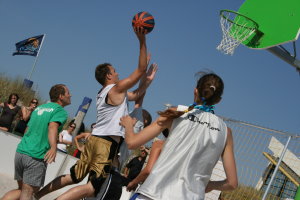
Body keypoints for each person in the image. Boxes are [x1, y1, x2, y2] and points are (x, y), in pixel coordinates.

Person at [35, 27, 157, 200]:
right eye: (114, 71)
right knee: (92, 187)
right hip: (105, 144)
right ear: (108, 76)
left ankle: (38, 195)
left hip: (95, 140)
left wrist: (147, 81)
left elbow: (136, 94)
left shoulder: (106, 92)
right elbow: (140, 69)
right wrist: (142, 40)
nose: (117, 73)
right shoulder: (115, 89)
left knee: (73, 177)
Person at [120, 72, 238, 200]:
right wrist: (209, 185)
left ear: (195, 91)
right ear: (218, 100)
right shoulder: (226, 132)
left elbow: (132, 142)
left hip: (154, 193)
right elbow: (232, 183)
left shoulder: (176, 112)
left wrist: (128, 125)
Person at [0, 84, 71, 200]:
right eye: (68, 93)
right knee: (28, 194)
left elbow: (28, 129)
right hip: (35, 156)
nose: (70, 95)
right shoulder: (60, 111)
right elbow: (52, 127)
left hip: (21, 152)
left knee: (22, 190)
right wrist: (53, 147)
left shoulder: (39, 108)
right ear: (61, 96)